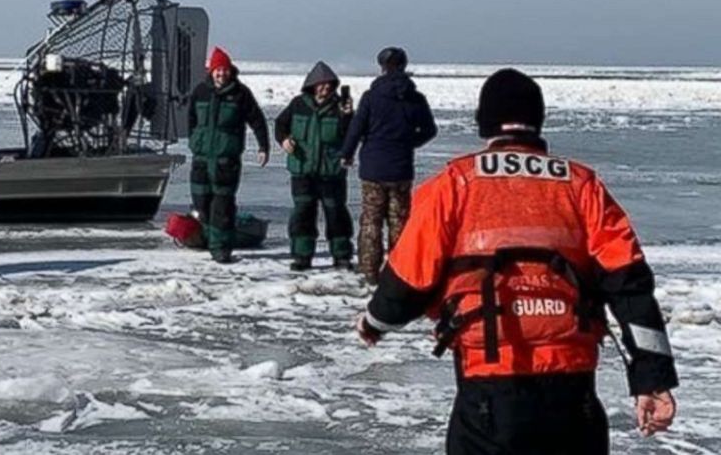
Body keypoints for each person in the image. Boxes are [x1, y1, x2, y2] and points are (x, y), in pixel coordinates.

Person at [355, 68, 678, 454]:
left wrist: (375, 321)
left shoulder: (455, 183)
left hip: (489, 390)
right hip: (572, 390)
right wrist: (652, 380)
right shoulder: (582, 186)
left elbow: (409, 278)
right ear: (537, 122)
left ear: (484, 124)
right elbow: (630, 287)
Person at [340, 46, 437, 284]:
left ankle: (369, 270)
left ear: (382, 67)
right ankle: (399, 270)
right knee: (400, 221)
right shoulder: (415, 98)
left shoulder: (372, 97)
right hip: (400, 168)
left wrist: (347, 153)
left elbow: (357, 128)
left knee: (371, 219)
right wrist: (408, 144)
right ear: (403, 66)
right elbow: (429, 130)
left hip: (373, 167)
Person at [187, 46, 270, 263]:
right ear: (211, 71)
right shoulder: (200, 92)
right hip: (202, 158)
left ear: (230, 70)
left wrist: (263, 147)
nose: (221, 74)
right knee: (201, 202)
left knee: (222, 206)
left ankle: (221, 248)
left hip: (226, 160)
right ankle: (208, 237)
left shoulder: (240, 94)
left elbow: (257, 120)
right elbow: (191, 120)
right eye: (217, 70)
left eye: (224, 70)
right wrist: (195, 140)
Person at [275, 61, 354, 271]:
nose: (325, 88)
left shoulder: (340, 107)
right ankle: (302, 256)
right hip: (303, 171)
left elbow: (351, 135)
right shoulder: (298, 104)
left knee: (336, 214)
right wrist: (284, 140)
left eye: (329, 85)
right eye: (321, 84)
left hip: (331, 172)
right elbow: (280, 124)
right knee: (303, 213)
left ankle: (342, 255)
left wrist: (347, 116)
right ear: (312, 85)